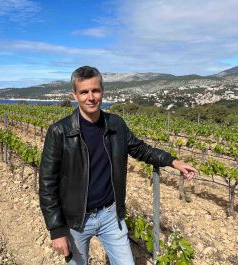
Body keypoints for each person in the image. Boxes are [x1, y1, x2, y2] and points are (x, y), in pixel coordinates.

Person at [39, 66, 198, 264]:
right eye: (84, 92)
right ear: (75, 95)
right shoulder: (59, 132)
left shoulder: (116, 125)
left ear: (102, 92)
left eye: (95, 90)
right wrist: (56, 230)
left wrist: (174, 162)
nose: (91, 97)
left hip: (110, 216)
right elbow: (47, 184)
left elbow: (141, 149)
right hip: (76, 220)